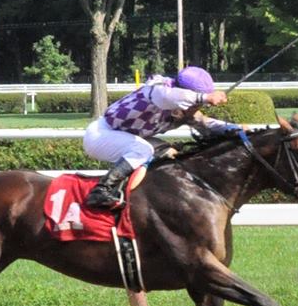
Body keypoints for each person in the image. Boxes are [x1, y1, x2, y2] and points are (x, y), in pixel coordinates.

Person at [83, 67, 233, 210]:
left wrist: (241, 130)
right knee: (143, 149)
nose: (196, 107)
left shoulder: (182, 111)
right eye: (196, 103)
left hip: (124, 137)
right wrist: (205, 97)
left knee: (168, 151)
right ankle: (101, 191)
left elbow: (208, 124)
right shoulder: (156, 90)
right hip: (100, 135)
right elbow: (168, 96)